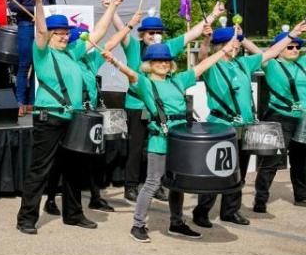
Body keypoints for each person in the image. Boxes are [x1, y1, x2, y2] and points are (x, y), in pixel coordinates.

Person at [15, 0, 119, 234]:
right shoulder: (42, 53)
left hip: (72, 118)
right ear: (49, 35)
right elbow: (40, 30)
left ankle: (73, 214)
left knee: (75, 168)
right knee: (40, 169)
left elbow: (99, 32)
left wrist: (114, 5)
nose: (63, 36)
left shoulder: (72, 52)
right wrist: (39, 3)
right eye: (58, 32)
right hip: (48, 117)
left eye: (65, 32)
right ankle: (26, 219)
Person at [191, 24, 303, 227]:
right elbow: (202, 58)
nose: (235, 48)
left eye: (236, 44)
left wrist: (291, 36)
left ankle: (230, 211)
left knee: (239, 171)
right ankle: (202, 211)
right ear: (221, 46)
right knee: (217, 171)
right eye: (231, 44)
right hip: (221, 126)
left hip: (245, 126)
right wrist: (207, 40)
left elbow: (270, 53)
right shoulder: (213, 66)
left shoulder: (243, 63)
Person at [130, 40, 236, 243]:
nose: (164, 64)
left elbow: (202, 66)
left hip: (181, 142)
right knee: (153, 183)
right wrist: (115, 62)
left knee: (177, 184)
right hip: (159, 141)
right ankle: (138, 225)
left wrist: (224, 49)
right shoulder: (145, 83)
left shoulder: (177, 80)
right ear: (149, 64)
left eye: (167, 60)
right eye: (158, 61)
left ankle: (176, 223)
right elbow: (131, 74)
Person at [119, 2, 224, 201]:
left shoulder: (167, 48)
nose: (154, 35)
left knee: (161, 146)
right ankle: (131, 185)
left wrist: (213, 14)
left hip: (162, 109)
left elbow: (192, 34)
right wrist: (114, 7)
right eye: (150, 32)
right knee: (136, 147)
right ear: (142, 34)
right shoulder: (133, 45)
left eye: (158, 31)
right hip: (137, 104)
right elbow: (119, 28)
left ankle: (158, 184)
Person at [255, 30, 306, 210]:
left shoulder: (302, 63)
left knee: (301, 160)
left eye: (297, 46)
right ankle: (260, 200)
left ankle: (301, 196)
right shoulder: (272, 65)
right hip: (280, 118)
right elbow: (256, 52)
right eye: (289, 46)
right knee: (272, 161)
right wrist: (239, 37)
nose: (294, 49)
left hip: (302, 119)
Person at [8, 0, 55, 115]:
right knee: (24, 64)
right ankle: (19, 101)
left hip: (44, 29)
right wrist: (35, 11)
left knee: (39, 65)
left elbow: (53, 5)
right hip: (26, 26)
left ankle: (33, 102)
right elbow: (12, 4)